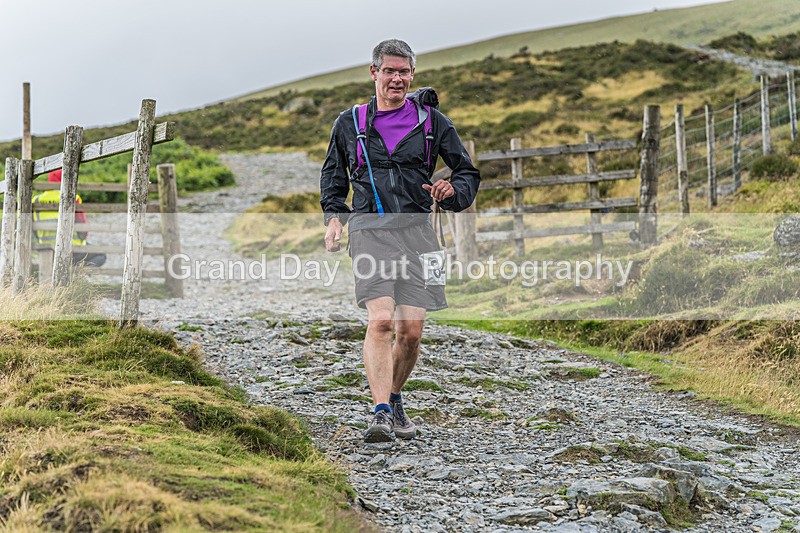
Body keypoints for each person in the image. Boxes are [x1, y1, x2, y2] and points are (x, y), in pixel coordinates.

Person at [320, 39, 480, 442]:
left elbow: (466, 172)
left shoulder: (433, 122)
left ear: (412, 74)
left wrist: (451, 190)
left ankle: (393, 399)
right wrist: (334, 219)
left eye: (404, 71)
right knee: (381, 321)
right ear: (374, 72)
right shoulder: (349, 123)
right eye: (389, 71)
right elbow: (333, 177)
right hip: (370, 230)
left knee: (411, 333)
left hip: (419, 233)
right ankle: (379, 414)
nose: (397, 79)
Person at [33, 169, 107, 267]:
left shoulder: (36, 200)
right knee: (101, 255)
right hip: (72, 248)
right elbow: (82, 228)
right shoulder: (73, 198)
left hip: (47, 249)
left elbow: (32, 228)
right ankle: (77, 273)